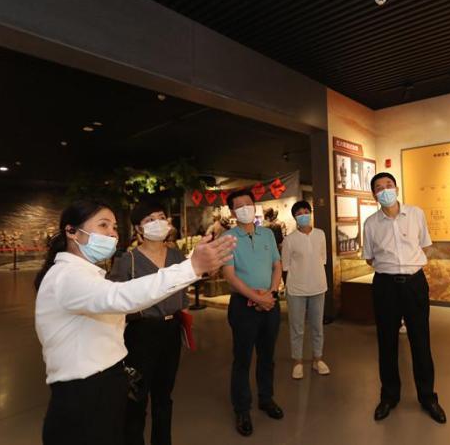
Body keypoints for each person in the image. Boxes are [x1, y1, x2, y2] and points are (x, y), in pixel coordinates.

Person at [34, 199, 235, 445]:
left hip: (105, 382)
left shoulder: (87, 274)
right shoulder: (68, 277)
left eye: (114, 227)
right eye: (103, 225)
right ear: (72, 231)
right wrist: (191, 267)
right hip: (84, 392)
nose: (112, 234)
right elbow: (122, 296)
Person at [362, 172, 446, 424]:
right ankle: (389, 396)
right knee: (386, 342)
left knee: (420, 340)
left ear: (397, 188)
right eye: (379, 188)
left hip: (414, 284)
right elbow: (369, 257)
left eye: (388, 185)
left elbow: (424, 244)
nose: (385, 190)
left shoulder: (416, 214)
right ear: (374, 195)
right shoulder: (371, 223)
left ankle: (428, 397)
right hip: (385, 286)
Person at [107, 200, 188, 445]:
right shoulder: (128, 260)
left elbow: (183, 293)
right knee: (137, 397)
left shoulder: (177, 256)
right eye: (149, 219)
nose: (157, 223)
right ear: (138, 228)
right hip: (141, 332)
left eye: (161, 217)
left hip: (171, 329)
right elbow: (114, 301)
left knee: (164, 396)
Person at [222, 190, 283, 437]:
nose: (245, 208)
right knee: (243, 358)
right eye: (239, 206)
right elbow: (229, 275)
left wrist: (271, 293)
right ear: (232, 212)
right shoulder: (227, 238)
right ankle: (242, 409)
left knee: (267, 356)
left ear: (255, 206)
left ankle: (266, 399)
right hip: (243, 306)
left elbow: (277, 265)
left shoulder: (267, 234)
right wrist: (257, 298)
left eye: (249, 204)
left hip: (270, 302)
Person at [281, 200, 330, 380]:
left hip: (318, 286)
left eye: (306, 212)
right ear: (295, 217)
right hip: (296, 290)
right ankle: (298, 361)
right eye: (299, 213)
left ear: (310, 213)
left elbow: (323, 259)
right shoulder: (289, 240)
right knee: (297, 327)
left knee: (317, 326)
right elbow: (285, 266)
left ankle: (318, 359)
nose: (303, 215)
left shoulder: (320, 234)